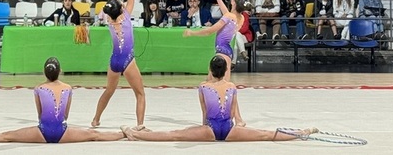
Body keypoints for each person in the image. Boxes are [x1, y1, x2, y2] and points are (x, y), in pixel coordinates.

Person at [122, 55, 316, 142]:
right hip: (230, 130)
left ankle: (136, 134)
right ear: (225, 71)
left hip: (211, 130)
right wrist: (237, 127)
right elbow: (231, 113)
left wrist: (202, 131)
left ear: (210, 71)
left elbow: (205, 114)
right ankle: (301, 132)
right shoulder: (232, 86)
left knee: (173, 134)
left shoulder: (203, 86)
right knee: (265, 134)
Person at [0, 57, 124, 144]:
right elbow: (65, 116)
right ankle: (124, 134)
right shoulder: (68, 88)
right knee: (94, 134)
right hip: (62, 132)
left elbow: (40, 115)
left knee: (6, 136)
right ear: (60, 71)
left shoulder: (39, 88)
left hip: (42, 132)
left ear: (44, 72)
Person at [91, 0, 146, 129]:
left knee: (109, 90)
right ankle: (140, 125)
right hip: (127, 61)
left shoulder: (109, 20)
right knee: (140, 94)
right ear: (122, 8)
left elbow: (111, 1)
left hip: (114, 61)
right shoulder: (126, 18)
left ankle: (96, 119)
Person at [183, 0, 250, 79]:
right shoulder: (240, 18)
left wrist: (192, 32)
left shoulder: (229, 16)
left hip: (221, 50)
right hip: (227, 51)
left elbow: (209, 31)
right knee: (221, 81)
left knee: (212, 81)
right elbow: (226, 13)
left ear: (233, 2)